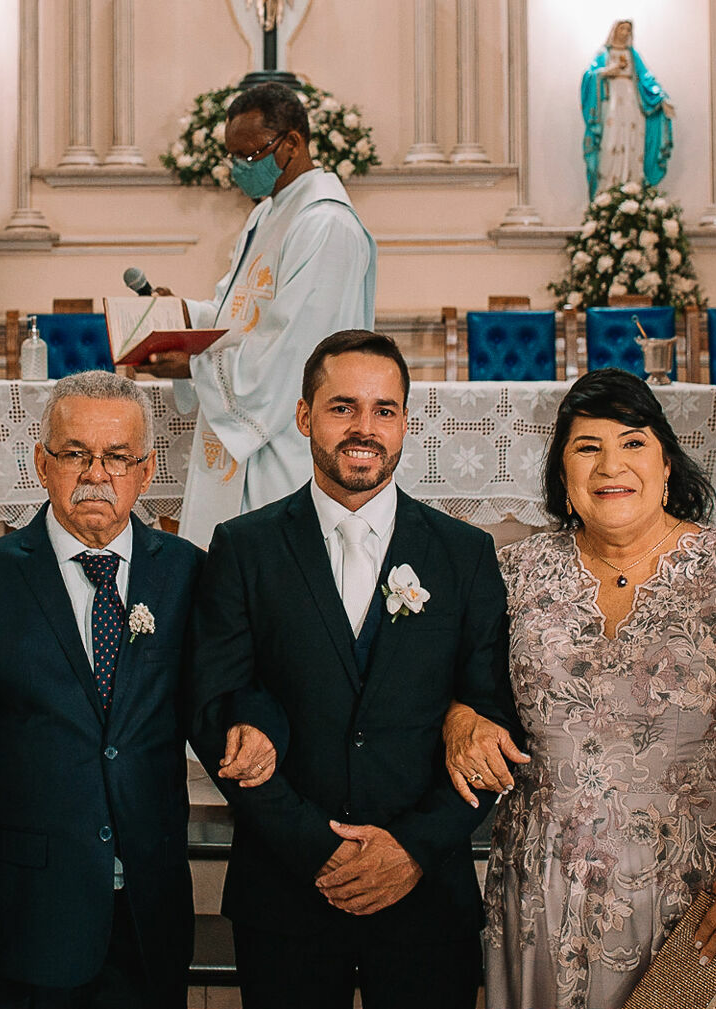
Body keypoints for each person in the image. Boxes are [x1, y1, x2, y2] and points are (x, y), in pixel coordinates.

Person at [441, 369, 716, 1009]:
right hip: (548, 897)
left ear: (667, 464)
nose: (612, 465)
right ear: (561, 475)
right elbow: (456, 687)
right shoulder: (513, 574)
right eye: (587, 447)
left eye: (633, 442)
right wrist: (458, 718)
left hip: (715, 894)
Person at [0, 371, 279, 1008]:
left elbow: (219, 692)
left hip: (148, 910)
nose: (96, 474)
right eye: (76, 454)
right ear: (41, 463)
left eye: (117, 457)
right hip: (24, 914)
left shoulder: (187, 572)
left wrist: (253, 723)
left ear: (145, 470)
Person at [187, 330, 519, 1009]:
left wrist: (413, 847)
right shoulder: (243, 548)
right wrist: (316, 847)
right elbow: (213, 707)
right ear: (305, 416)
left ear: (406, 422)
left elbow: (494, 722)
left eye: (384, 409)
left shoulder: (464, 555)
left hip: (427, 888)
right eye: (342, 407)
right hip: (286, 889)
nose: (364, 428)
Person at [142, 82, 377, 547]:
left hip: (286, 437)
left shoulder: (326, 224)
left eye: (249, 156)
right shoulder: (267, 215)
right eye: (232, 158)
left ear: (291, 145)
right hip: (252, 433)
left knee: (275, 577)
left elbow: (295, 349)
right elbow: (238, 312)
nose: (238, 171)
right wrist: (182, 315)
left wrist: (194, 365)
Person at [580, 19, 675, 198]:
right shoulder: (603, 55)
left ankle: (634, 187)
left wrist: (661, 98)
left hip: (632, 103)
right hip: (611, 105)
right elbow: (589, 76)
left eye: (628, 30)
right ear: (614, 30)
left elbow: (647, 78)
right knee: (610, 142)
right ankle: (607, 190)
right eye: (622, 28)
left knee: (632, 141)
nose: (625, 33)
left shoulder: (633, 55)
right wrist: (608, 71)